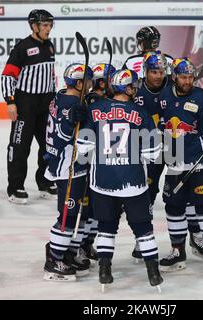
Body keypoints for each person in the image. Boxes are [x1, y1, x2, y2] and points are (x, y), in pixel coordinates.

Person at [76, 69, 163, 291]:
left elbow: (84, 148)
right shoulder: (140, 112)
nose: (136, 88)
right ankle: (153, 272)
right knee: (143, 227)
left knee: (106, 226)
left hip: (102, 183)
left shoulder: (95, 109)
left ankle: (105, 271)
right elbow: (153, 153)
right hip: (133, 183)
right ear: (128, 88)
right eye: (133, 85)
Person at [130, 51, 203, 262]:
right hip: (149, 149)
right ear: (145, 71)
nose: (158, 75)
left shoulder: (171, 86)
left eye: (161, 71)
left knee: (185, 190)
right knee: (148, 192)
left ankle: (196, 235)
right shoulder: (134, 90)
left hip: (176, 146)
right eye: (154, 71)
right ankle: (142, 236)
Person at [158, 58, 203, 276]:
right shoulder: (165, 96)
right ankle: (178, 250)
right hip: (176, 162)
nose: (187, 81)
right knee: (173, 207)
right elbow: (160, 125)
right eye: (183, 77)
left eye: (190, 77)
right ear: (174, 77)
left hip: (201, 164)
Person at [43, 63, 94, 281]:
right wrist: (72, 121)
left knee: (73, 215)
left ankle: (63, 254)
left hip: (62, 165)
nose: (91, 85)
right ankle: (54, 260)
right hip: (69, 168)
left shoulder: (60, 96)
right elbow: (62, 137)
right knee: (68, 216)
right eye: (88, 81)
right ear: (79, 83)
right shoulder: (72, 104)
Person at [1, 9, 57, 204]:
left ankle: (44, 182)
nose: (48, 28)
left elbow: (50, 77)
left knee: (49, 146)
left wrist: (54, 99)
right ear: (34, 26)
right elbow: (8, 75)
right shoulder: (22, 47)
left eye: (50, 25)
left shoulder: (50, 46)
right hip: (25, 104)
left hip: (46, 104)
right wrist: (10, 101)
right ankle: (15, 187)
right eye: (44, 25)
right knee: (19, 147)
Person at [78, 63, 117, 266]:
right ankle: (78, 247)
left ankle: (87, 244)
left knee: (95, 210)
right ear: (102, 82)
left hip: (101, 164)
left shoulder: (106, 100)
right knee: (84, 211)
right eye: (111, 79)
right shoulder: (93, 100)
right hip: (88, 163)